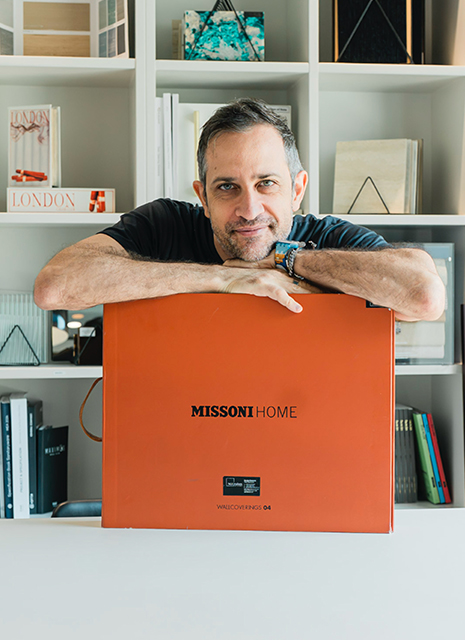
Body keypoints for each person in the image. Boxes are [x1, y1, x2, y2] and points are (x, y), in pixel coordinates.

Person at [34, 98, 445, 322]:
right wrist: (221, 279)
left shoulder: (329, 240)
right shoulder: (163, 224)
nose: (249, 209)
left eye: (266, 183)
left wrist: (287, 260)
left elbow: (424, 296)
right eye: (227, 187)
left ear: (297, 190)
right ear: (203, 197)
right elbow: (54, 287)